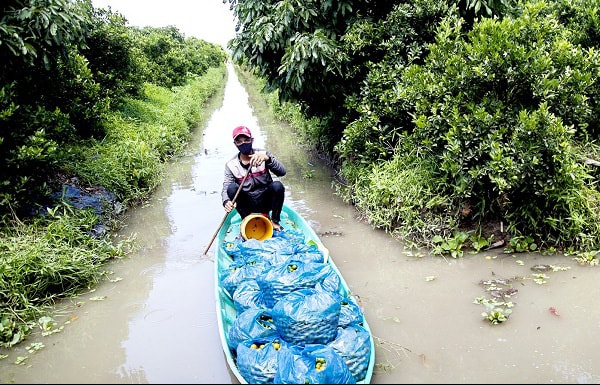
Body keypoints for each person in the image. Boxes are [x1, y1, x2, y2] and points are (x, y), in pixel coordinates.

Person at [222, 125, 286, 231]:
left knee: (277, 186)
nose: (243, 143)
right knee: (232, 188)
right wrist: (226, 201)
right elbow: (226, 186)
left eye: (246, 140)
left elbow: (282, 172)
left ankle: (275, 221)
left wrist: (268, 160)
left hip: (266, 201)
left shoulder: (263, 154)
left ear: (252, 140)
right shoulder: (231, 165)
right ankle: (246, 220)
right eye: (239, 141)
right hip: (248, 204)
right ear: (235, 144)